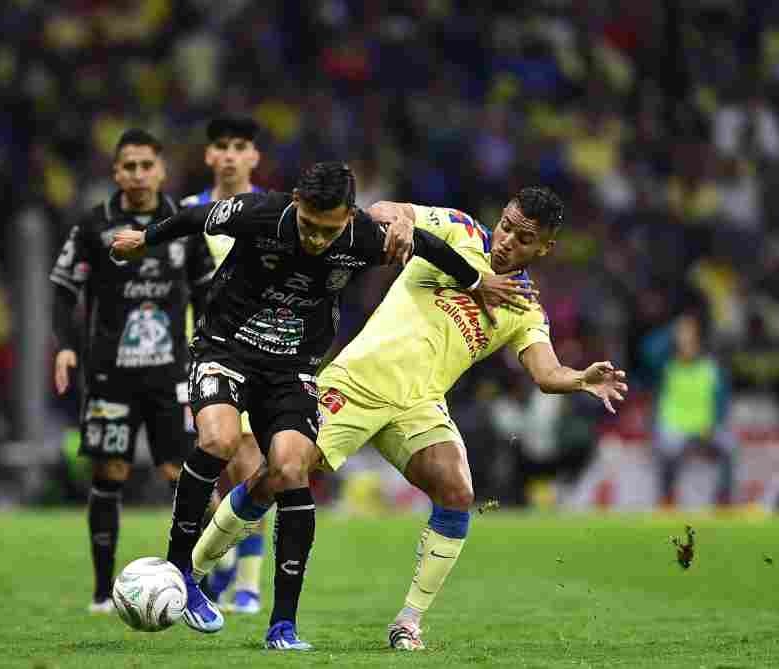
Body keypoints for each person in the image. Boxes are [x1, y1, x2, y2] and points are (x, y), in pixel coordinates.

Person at [190, 187, 628, 650]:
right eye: (506, 225)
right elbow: (385, 211)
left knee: (457, 490)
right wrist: (399, 223)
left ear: (544, 248)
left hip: (418, 406)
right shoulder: (458, 231)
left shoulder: (524, 309)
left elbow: (546, 372)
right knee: (278, 474)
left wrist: (580, 379)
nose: (506, 240)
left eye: (523, 238)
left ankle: (408, 622)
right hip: (355, 384)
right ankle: (191, 573)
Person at [111, 161, 527, 648]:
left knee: (291, 469)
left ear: (349, 216)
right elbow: (196, 218)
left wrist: (477, 284)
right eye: (308, 225)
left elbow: (432, 248)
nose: (314, 239)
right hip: (226, 347)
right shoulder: (260, 212)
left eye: (327, 230)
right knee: (220, 438)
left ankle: (282, 626)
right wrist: (145, 238)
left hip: (292, 369)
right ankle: (181, 570)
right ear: (294, 202)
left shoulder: (363, 237)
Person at [50, 128, 215, 614]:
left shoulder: (183, 224)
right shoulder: (92, 226)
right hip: (110, 374)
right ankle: (103, 592)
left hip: (172, 375)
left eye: (147, 165)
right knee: (111, 471)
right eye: (130, 166)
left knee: (181, 474)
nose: (139, 174)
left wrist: (211, 346)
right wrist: (65, 346)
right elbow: (63, 289)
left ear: (161, 170)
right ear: (116, 171)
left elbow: (207, 293)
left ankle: (199, 579)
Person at [180, 116, 267, 614]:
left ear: (253, 156)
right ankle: (223, 556)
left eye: (241, 147)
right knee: (198, 469)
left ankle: (248, 586)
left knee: (252, 468)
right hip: (199, 356)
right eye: (221, 147)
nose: (231, 155)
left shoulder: (271, 211)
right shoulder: (188, 214)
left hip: (257, 352)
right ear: (209, 156)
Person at [642, 312, 734, 507]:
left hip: (705, 427)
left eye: (691, 339)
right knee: (667, 447)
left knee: (730, 446)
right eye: (683, 339)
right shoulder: (666, 366)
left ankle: (723, 501)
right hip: (674, 427)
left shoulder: (711, 368)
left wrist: (715, 423)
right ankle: (667, 500)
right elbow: (647, 350)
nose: (687, 345)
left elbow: (723, 401)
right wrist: (671, 331)